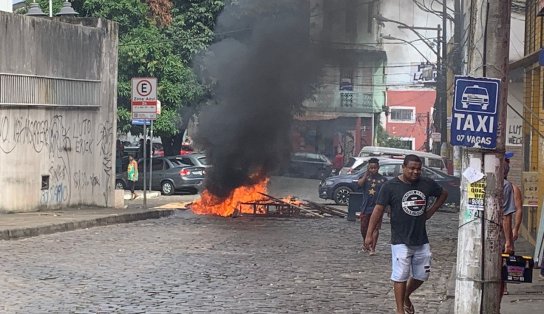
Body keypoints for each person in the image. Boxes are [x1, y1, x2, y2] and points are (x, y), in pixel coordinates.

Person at [364, 154, 448, 314]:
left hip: (421, 238)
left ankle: (406, 296)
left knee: (422, 275)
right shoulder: (390, 186)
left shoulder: (427, 183)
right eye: (412, 168)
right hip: (400, 239)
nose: (415, 172)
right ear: (403, 167)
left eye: (418, 169)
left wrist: (431, 211)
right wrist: (369, 234)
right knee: (400, 275)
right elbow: (378, 210)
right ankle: (399, 310)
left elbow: (443, 194)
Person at [357, 158, 387, 255]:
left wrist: (388, 208)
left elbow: (387, 195)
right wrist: (366, 174)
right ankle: (365, 243)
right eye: (371, 168)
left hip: (377, 208)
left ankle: (372, 248)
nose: (373, 170)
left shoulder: (383, 180)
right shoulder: (365, 178)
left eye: (375, 168)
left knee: (375, 228)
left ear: (378, 168)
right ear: (368, 168)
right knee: (363, 228)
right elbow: (359, 184)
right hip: (366, 207)